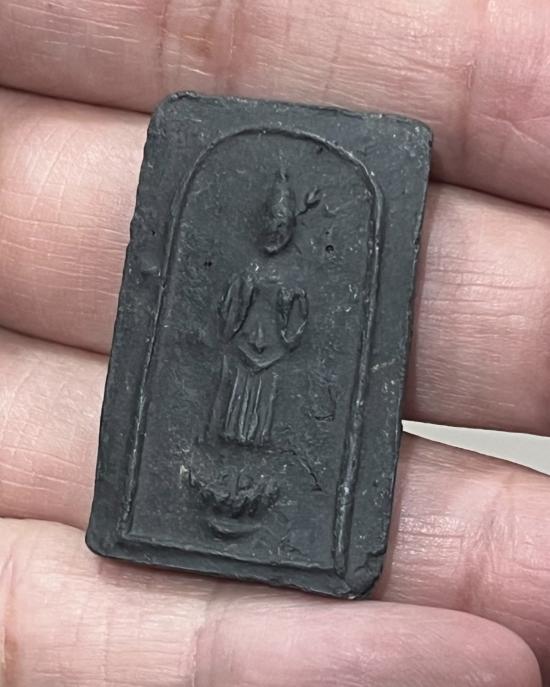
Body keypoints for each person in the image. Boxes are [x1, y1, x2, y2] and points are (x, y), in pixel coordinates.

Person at [0, 0, 549, 684]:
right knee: (229, 423)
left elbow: (298, 326)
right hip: (239, 361)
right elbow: (225, 316)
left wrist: (277, 345)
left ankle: (247, 494)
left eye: (282, 228)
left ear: (289, 232)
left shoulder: (288, 279)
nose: (273, 235)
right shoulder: (250, 272)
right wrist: (238, 340)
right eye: (269, 227)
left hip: (269, 365)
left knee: (255, 427)